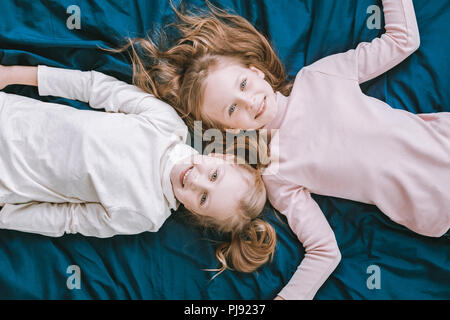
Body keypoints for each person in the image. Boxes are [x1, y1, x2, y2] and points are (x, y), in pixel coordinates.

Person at [122, 0, 450, 299]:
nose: (249, 102)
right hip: (434, 204)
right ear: (228, 129)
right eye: (232, 110)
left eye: (244, 85)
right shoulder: (276, 171)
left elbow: (402, 41)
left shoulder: (320, 76)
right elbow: (324, 250)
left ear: (256, 71)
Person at [0, 64, 276, 276]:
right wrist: (12, 74)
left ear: (195, 211)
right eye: (214, 175)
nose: (196, 181)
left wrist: (7, 217)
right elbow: (94, 87)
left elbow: (69, 219)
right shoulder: (167, 125)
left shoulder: (146, 214)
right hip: (11, 115)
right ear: (220, 156)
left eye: (203, 198)